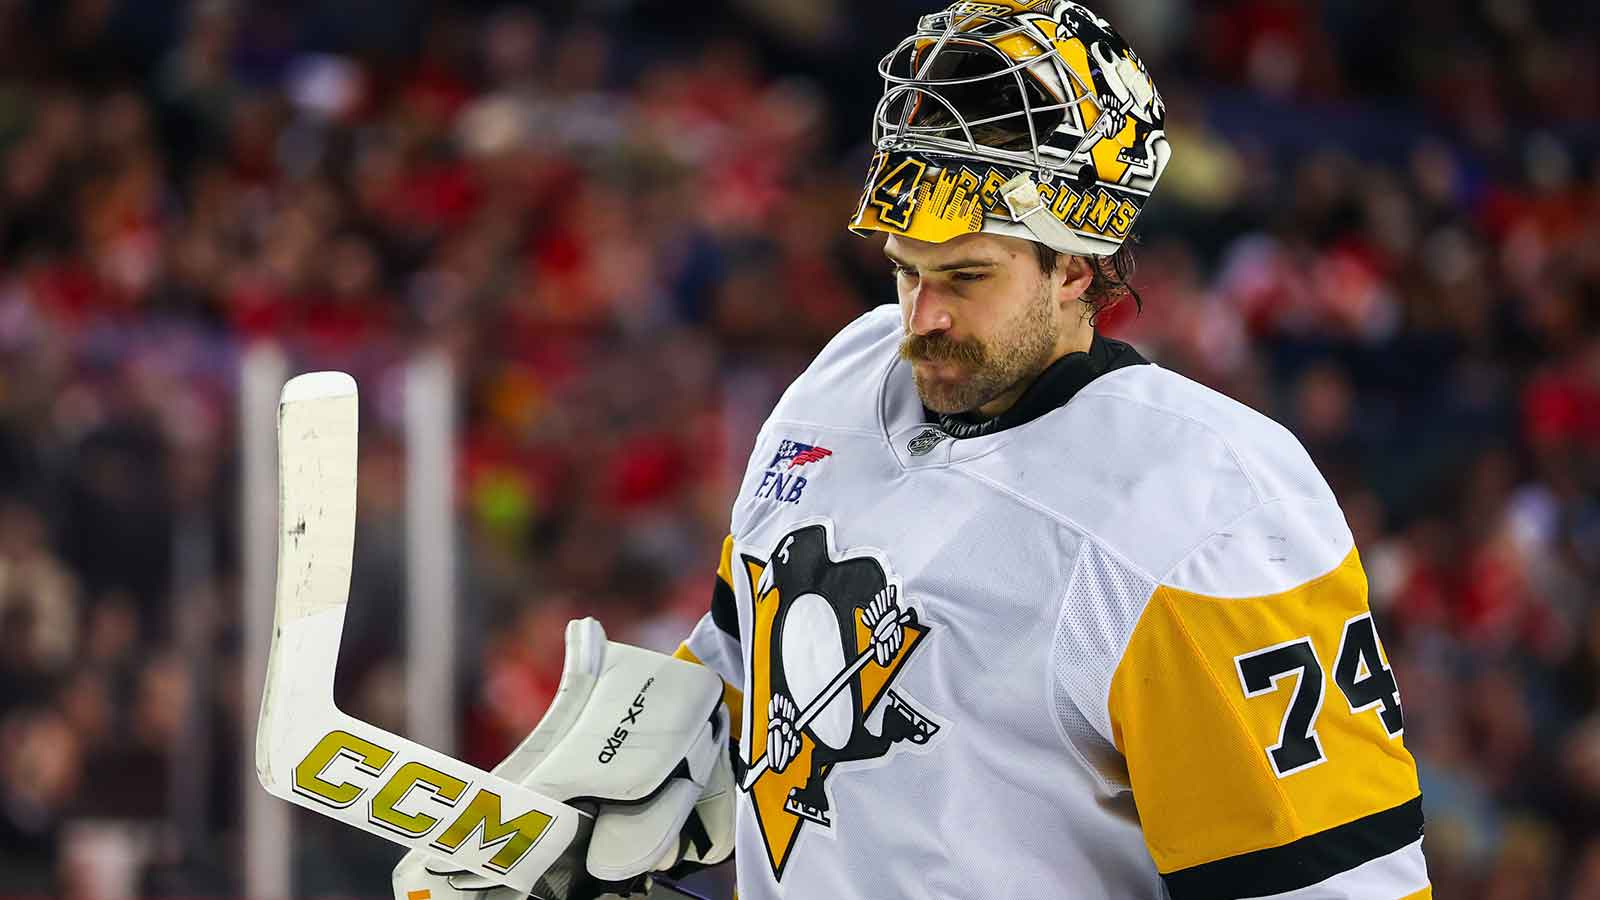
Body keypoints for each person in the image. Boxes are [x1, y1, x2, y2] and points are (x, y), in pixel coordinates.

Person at [397, 2, 1429, 898]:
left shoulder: (1204, 506)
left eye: (966, 276)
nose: (919, 317)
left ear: (1080, 267)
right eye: (903, 268)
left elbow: (1328, 886)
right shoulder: (843, 376)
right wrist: (576, 809)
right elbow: (736, 668)